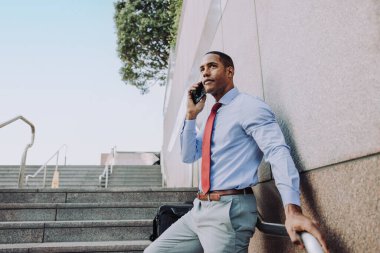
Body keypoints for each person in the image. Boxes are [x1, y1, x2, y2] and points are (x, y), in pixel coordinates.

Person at [144, 51, 329, 253]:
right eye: (202, 69)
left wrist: (292, 210)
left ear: (230, 71)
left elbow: (277, 152)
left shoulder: (249, 107)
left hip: (228, 211)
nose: (205, 73)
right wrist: (190, 115)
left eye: (212, 66)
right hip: (199, 209)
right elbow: (188, 155)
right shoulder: (212, 116)